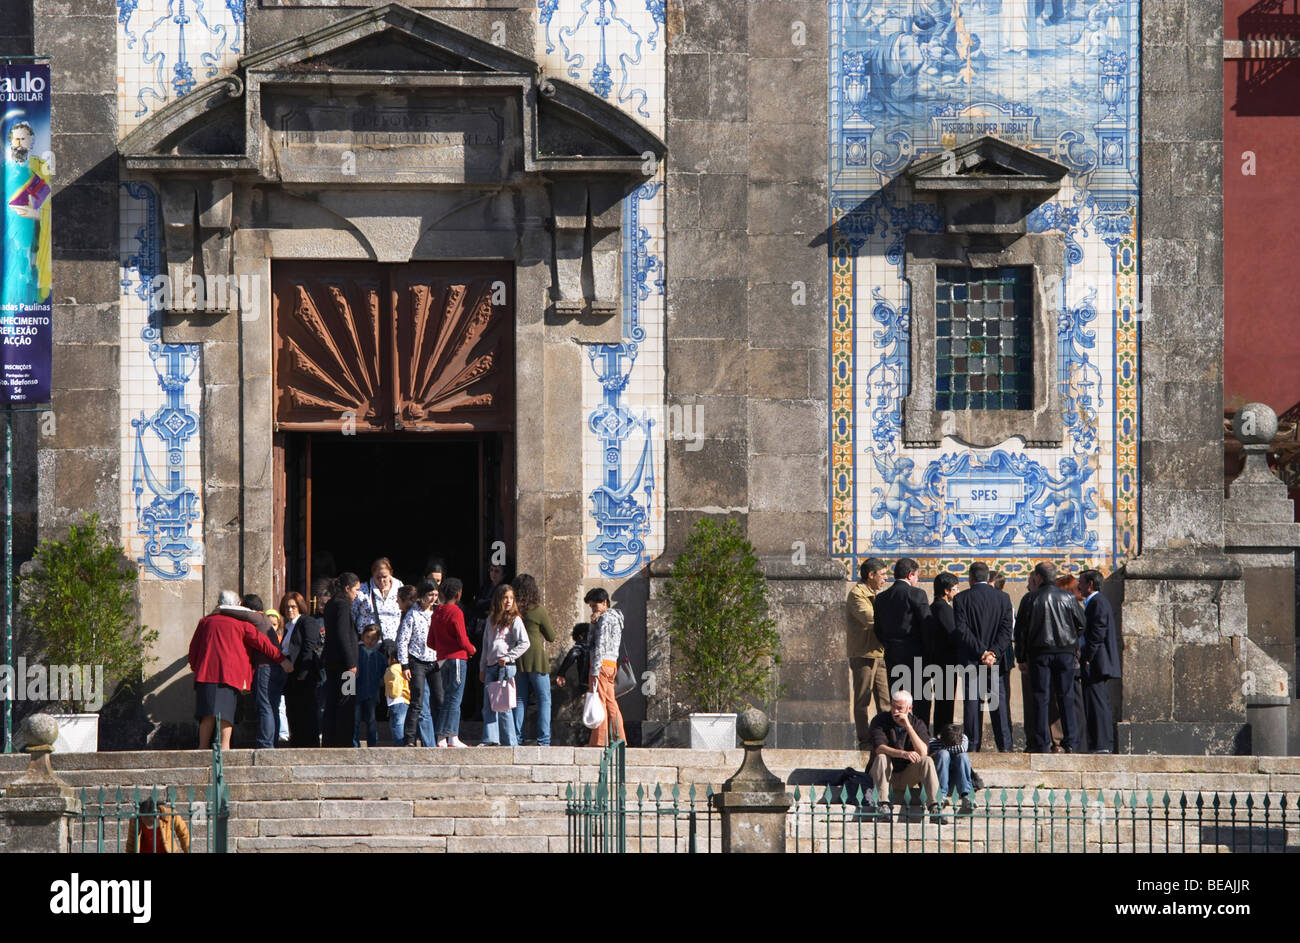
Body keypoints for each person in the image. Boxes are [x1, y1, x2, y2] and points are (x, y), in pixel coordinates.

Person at [189, 590, 293, 749]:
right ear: (237, 606)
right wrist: (282, 659)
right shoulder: (242, 625)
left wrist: (196, 667)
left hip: (206, 674)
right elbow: (264, 644)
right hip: (230, 675)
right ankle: (225, 749)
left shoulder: (205, 622)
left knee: (207, 715)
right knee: (226, 716)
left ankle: (202, 748)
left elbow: (193, 649)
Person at [1015, 562, 1085, 753]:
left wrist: (1021, 657)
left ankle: (1041, 742)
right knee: (1066, 697)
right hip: (1065, 653)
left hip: (1040, 654)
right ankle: (1071, 741)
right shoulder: (1068, 598)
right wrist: (1071, 641)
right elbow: (1081, 623)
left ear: (1038, 577)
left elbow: (1020, 632)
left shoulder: (1030, 599)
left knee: (1041, 697)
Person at [952, 561, 1015, 752]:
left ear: (970, 578)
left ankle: (972, 745)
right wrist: (993, 653)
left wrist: (981, 652)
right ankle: (1005, 746)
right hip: (995, 662)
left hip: (972, 659)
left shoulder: (961, 599)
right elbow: (1007, 630)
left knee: (972, 704)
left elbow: (962, 631)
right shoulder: (1003, 598)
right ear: (987, 577)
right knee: (999, 705)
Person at [873, 557, 934, 725]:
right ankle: (919, 736)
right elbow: (927, 626)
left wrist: (889, 644)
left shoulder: (882, 598)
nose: (917, 579)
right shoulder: (917, 594)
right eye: (916, 575)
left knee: (898, 699)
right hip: (917, 657)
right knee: (920, 700)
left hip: (893, 656)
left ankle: (899, 736)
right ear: (909, 575)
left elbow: (877, 629)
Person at [866, 690, 943, 821]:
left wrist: (908, 726)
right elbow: (879, 748)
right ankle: (882, 805)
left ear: (909, 708)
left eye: (900, 708)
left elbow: (923, 751)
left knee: (927, 760)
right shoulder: (880, 720)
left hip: (907, 776)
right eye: (893, 706)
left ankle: (934, 807)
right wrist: (903, 754)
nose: (895, 711)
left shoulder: (917, 724)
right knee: (882, 757)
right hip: (884, 775)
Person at [218, 593, 282, 750]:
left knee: (264, 706)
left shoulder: (257, 617)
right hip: (273, 667)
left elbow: (240, 612)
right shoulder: (263, 620)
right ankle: (271, 742)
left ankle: (265, 745)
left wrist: (221, 609)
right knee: (271, 706)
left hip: (265, 667)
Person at [3, 119, 52, 309]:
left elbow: (45, 202)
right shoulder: (4, 171)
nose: (19, 143)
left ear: (31, 141)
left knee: (28, 268)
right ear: (9, 142)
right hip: (8, 234)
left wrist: (35, 214)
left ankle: (28, 303)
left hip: (32, 234)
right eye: (16, 139)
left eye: (24, 139)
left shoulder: (39, 170)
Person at [846, 556, 890, 748]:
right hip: (863, 654)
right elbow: (870, 619)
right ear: (870, 575)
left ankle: (886, 738)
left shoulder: (875, 594)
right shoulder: (857, 594)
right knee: (862, 699)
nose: (885, 578)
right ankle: (865, 740)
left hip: (879, 653)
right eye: (882, 574)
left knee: (885, 700)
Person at [479, 582, 529, 746]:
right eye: (505, 597)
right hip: (491, 665)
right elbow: (486, 644)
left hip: (505, 667)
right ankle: (491, 739)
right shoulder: (491, 619)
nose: (508, 601)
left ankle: (510, 742)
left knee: (504, 705)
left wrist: (508, 657)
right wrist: (482, 667)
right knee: (489, 704)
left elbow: (524, 643)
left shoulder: (515, 620)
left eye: (511, 598)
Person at [1078, 569, 1120, 753]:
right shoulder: (1094, 603)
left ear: (1090, 584)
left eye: (1081, 582)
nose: (1079, 586)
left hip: (1096, 662)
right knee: (1094, 701)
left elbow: (1097, 634)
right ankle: (1097, 742)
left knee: (1098, 702)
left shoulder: (1098, 603)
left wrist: (1087, 656)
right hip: (1094, 660)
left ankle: (1103, 743)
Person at [430, 577, 475, 747]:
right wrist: (471, 649)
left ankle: (449, 737)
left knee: (449, 697)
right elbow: (462, 639)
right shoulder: (456, 612)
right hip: (456, 658)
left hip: (441, 659)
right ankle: (445, 735)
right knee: (455, 698)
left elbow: (430, 641)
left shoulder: (437, 612)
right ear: (458, 593)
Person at [511, 573, 555, 746]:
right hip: (536, 657)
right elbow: (551, 636)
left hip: (517, 657)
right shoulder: (538, 609)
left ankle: (517, 737)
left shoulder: (513, 610)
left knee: (519, 699)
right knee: (544, 699)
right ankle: (543, 740)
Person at [398, 579, 441, 747]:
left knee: (439, 698)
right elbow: (403, 640)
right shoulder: (413, 614)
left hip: (435, 660)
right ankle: (409, 738)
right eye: (430, 595)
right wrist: (405, 664)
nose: (433, 599)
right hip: (417, 660)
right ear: (422, 596)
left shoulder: (437, 612)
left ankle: (440, 736)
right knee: (417, 699)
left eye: (436, 595)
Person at [322, 572, 361, 747]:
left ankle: (330, 740)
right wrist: (351, 662)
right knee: (346, 701)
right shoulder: (343, 605)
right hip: (345, 665)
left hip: (332, 662)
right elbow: (343, 635)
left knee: (332, 701)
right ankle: (344, 741)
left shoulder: (331, 604)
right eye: (356, 590)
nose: (357, 594)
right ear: (347, 588)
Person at [585, 587, 626, 747]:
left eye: (595, 606)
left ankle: (599, 741)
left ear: (604, 603)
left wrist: (595, 669)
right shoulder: (615, 617)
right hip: (611, 664)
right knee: (610, 702)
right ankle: (619, 737)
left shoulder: (605, 619)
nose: (594, 610)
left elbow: (598, 644)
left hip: (601, 664)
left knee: (599, 701)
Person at [280, 591, 322, 748]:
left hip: (304, 673)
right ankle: (297, 741)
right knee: (293, 710)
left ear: (300, 607)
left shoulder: (307, 622)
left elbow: (309, 646)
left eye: (293, 607)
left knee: (307, 711)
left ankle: (309, 744)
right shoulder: (288, 626)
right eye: (286, 607)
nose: (289, 610)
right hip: (290, 675)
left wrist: (302, 673)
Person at [925, 572, 960, 731]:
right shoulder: (943, 608)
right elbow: (953, 633)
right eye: (955, 588)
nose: (957, 592)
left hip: (936, 660)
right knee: (945, 703)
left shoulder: (933, 607)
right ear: (946, 591)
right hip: (945, 662)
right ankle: (943, 735)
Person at [353, 557, 405, 643]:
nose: (381, 580)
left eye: (385, 577)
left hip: (393, 642)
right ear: (372, 575)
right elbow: (352, 613)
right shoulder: (363, 589)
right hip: (368, 643)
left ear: (391, 574)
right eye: (378, 577)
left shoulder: (399, 587)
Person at [929, 727, 976, 815]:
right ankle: (941, 795)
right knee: (943, 755)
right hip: (940, 777)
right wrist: (941, 753)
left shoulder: (963, 738)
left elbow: (962, 749)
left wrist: (940, 751)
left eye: (955, 745)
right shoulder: (933, 742)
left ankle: (966, 795)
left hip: (958, 776)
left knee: (963, 756)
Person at [354, 625, 385, 747]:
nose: (370, 641)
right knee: (355, 721)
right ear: (362, 637)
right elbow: (349, 672)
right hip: (356, 692)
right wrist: (347, 692)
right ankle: (354, 745)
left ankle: (372, 745)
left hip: (372, 693)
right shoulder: (355, 654)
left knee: (371, 721)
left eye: (373, 638)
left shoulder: (380, 658)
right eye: (367, 637)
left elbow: (383, 676)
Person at [126, 797, 190, 854]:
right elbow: (131, 842)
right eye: (145, 821)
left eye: (151, 822)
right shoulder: (136, 820)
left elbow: (184, 835)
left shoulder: (170, 815)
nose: (148, 825)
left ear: (158, 814)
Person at [382, 639, 410, 745]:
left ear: (393, 658)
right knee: (403, 724)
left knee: (396, 724)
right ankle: (405, 744)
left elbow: (395, 684)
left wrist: (393, 694)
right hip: (405, 699)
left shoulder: (392, 669)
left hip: (396, 700)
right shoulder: (404, 668)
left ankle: (399, 745)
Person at [555, 623, 591, 693]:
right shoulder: (596, 644)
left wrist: (561, 673)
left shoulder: (581, 646)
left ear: (580, 637)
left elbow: (573, 654)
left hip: (585, 682)